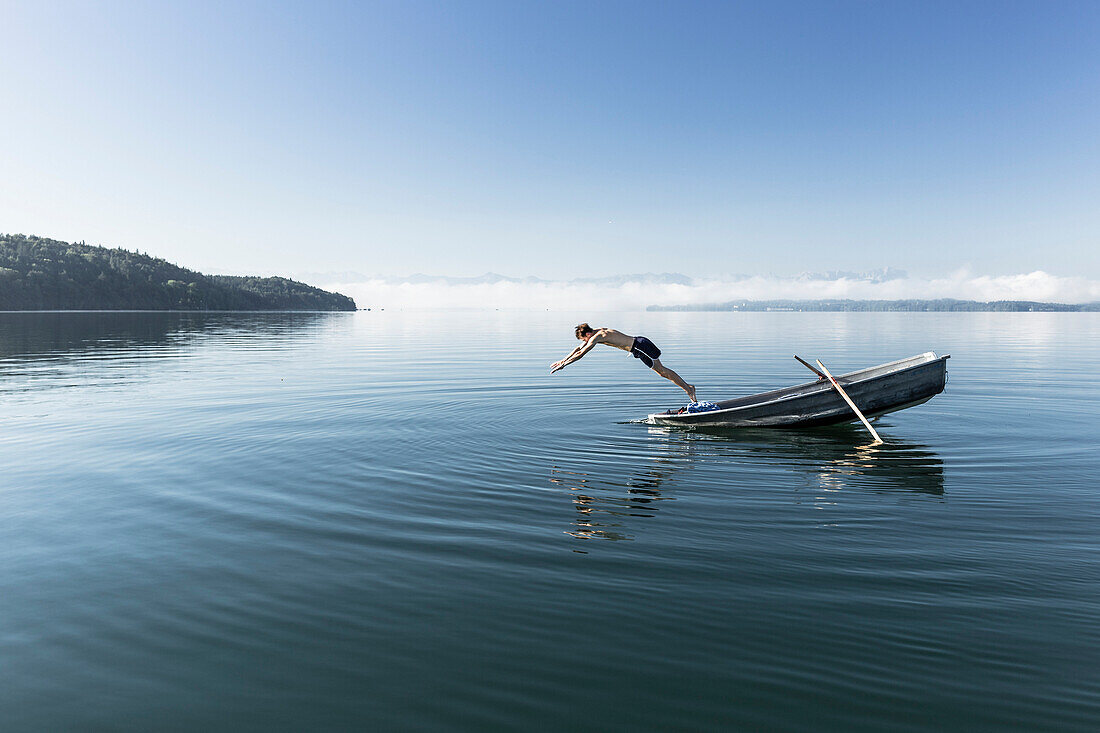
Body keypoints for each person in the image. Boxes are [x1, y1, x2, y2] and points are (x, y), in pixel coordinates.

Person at [550, 323, 697, 402]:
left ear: (587, 334)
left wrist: (565, 365)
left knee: (662, 371)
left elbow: (582, 353)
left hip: (640, 346)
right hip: (638, 346)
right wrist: (563, 360)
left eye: (584, 339)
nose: (585, 342)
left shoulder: (598, 336)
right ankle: (688, 388)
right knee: (661, 372)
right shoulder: (596, 332)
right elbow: (578, 349)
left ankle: (688, 389)